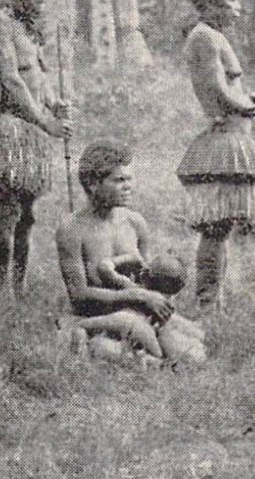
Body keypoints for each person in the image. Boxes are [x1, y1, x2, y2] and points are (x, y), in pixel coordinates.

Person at [55, 140, 206, 364]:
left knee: (193, 352)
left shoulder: (135, 223)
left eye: (129, 179)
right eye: (119, 180)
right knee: (105, 348)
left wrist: (155, 298)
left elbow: (146, 278)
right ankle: (139, 358)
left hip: (138, 313)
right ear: (93, 184)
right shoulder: (72, 230)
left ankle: (150, 357)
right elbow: (79, 295)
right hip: (97, 317)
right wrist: (137, 295)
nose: (128, 186)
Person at [0, 0, 72, 298]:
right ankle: (2, 287)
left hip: (33, 131)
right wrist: (43, 118)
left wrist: (54, 102)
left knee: (28, 214)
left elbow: (37, 78)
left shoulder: (32, 28)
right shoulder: (0, 23)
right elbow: (12, 79)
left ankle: (20, 284)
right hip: (10, 128)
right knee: (9, 209)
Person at [176, 0, 255, 310]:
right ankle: (207, 300)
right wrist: (248, 105)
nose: (238, 7)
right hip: (223, 134)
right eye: (231, 0)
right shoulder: (203, 37)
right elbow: (217, 89)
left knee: (223, 228)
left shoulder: (213, 36)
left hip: (233, 135)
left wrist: (249, 100)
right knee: (215, 228)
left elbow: (230, 88)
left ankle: (215, 300)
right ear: (211, 4)